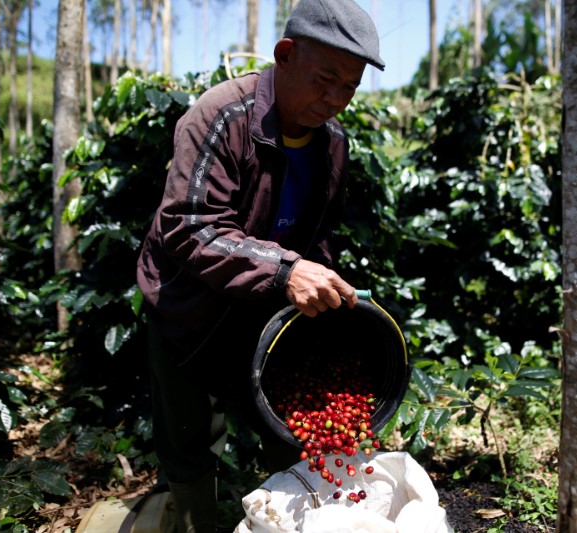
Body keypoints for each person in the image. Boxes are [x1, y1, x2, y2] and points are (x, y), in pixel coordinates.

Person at [135, 0, 385, 530]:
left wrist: (321, 283)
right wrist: (286, 271)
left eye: (350, 88)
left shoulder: (332, 144)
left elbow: (312, 235)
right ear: (286, 54)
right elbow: (189, 224)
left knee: (289, 433)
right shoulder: (223, 115)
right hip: (187, 309)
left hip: (260, 309)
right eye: (326, 79)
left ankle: (292, 515)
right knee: (187, 443)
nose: (335, 99)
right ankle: (196, 520)